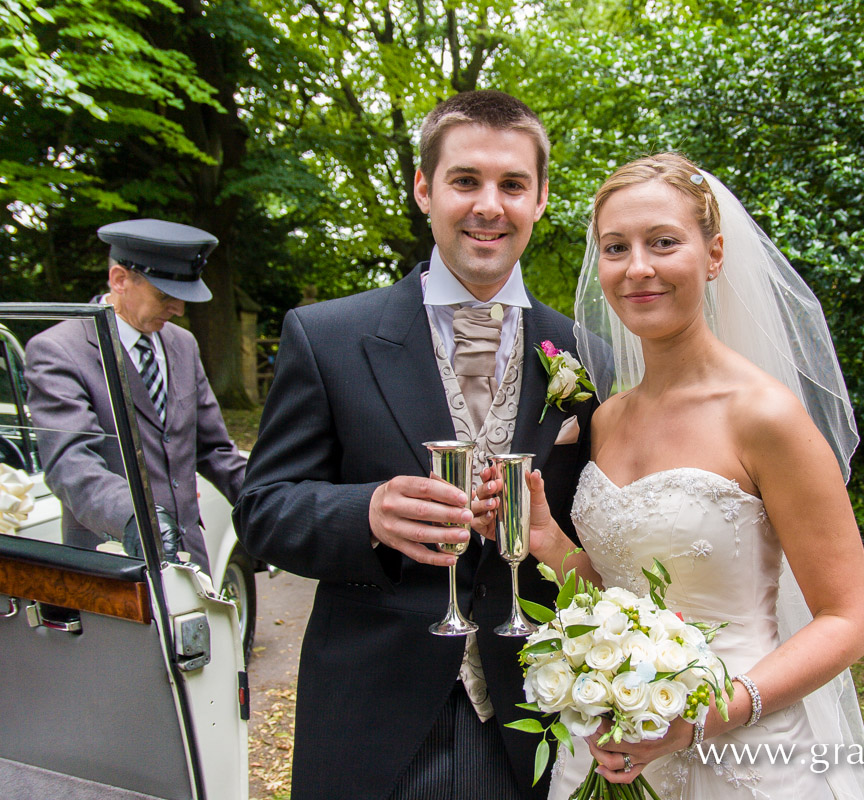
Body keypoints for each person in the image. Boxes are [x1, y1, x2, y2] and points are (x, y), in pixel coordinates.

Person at [479, 153, 864, 799]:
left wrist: (697, 719)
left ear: (714, 254)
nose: (637, 267)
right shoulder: (607, 419)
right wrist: (551, 543)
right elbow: (620, 593)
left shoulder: (765, 416)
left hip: (744, 755)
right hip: (612, 755)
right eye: (616, 247)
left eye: (663, 242)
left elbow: (849, 618)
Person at [232, 90, 599, 800]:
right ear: (424, 188)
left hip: (535, 719)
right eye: (466, 180)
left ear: (541, 199)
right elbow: (263, 510)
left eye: (512, 184)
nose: (489, 205)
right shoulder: (326, 336)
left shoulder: (585, 353)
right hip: (373, 719)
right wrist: (364, 513)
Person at [24, 218, 246, 570]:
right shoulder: (58, 349)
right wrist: (136, 518)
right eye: (166, 295)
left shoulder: (182, 344)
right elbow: (70, 464)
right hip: (113, 564)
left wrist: (270, 496)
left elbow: (214, 449)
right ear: (120, 280)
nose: (179, 310)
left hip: (191, 560)